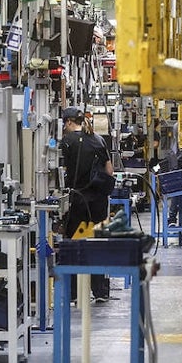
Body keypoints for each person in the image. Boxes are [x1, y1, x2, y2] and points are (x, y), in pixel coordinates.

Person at [60, 106, 115, 302]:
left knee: (75, 245)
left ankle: (75, 293)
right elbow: (109, 171)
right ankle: (100, 291)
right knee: (97, 244)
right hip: (98, 202)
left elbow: (61, 172)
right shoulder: (98, 139)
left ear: (67, 122)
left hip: (77, 201)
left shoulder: (66, 142)